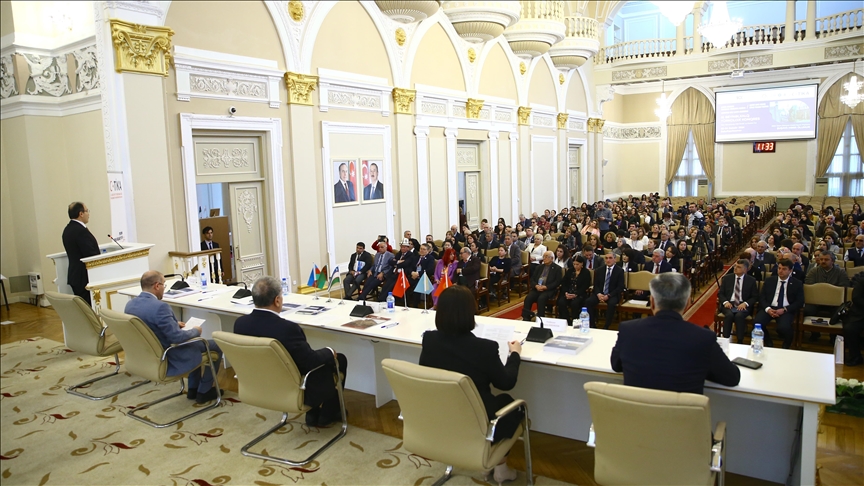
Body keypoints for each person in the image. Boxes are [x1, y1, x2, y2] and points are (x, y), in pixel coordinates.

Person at [419, 285, 523, 483]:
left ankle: (489, 463)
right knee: (512, 405)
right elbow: (506, 382)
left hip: (441, 415)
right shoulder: (484, 348)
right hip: (478, 421)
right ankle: (500, 467)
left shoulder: (430, 340)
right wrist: (515, 354)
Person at [235, 276, 347, 427]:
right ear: (277, 300)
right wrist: (329, 351)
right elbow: (310, 362)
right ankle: (327, 414)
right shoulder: (288, 329)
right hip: (294, 388)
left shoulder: (240, 324)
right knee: (339, 359)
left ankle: (314, 414)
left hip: (258, 385)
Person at [610, 272, 740, 394]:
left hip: (636, 410)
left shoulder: (628, 330)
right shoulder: (703, 338)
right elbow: (732, 378)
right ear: (687, 303)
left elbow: (616, 365)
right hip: (683, 411)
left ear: (652, 302)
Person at [125, 271, 221, 403]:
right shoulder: (160, 307)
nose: (164, 289)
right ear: (157, 286)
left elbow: (148, 325)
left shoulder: (130, 305)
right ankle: (205, 390)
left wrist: (173, 324)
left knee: (193, 342)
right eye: (164, 285)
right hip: (170, 355)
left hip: (148, 355)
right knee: (216, 345)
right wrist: (195, 331)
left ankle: (193, 388)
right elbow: (176, 338)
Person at [753, 259, 804, 349]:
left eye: (784, 269)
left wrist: (784, 309)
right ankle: (768, 341)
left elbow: (799, 302)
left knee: (783, 327)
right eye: (779, 268)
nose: (780, 271)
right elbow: (762, 297)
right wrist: (768, 309)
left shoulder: (797, 283)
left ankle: (786, 345)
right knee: (757, 323)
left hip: (786, 310)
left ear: (790, 270)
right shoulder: (769, 280)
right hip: (770, 308)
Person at [62, 202, 101, 305]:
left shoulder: (67, 229)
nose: (89, 214)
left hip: (76, 276)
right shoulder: (80, 231)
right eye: (87, 211)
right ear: (81, 214)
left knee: (83, 308)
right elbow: (90, 254)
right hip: (84, 277)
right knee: (89, 308)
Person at [718, 259, 759, 343]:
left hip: (743, 305)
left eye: (739, 267)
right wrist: (725, 302)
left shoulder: (751, 280)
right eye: (735, 266)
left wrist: (745, 303)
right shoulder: (727, 278)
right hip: (729, 304)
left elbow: (755, 297)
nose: (735, 268)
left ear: (745, 269)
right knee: (729, 315)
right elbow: (720, 294)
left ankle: (740, 340)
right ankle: (725, 339)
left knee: (739, 316)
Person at [585, 253, 626, 329]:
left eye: (610, 258)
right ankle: (592, 324)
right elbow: (596, 285)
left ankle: (606, 326)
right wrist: (598, 294)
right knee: (588, 301)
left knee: (611, 304)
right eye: (606, 258)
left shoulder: (620, 271)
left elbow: (620, 287)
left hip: (612, 294)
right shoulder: (599, 270)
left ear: (615, 259)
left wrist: (609, 295)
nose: (608, 260)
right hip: (600, 293)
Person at [521, 251, 562, 321]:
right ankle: (526, 317)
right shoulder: (539, 267)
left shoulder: (557, 268)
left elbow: (557, 282)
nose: (544, 258)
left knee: (541, 298)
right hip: (537, 288)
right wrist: (536, 286)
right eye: (543, 256)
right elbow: (532, 279)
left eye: (546, 257)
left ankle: (540, 318)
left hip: (548, 289)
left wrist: (546, 287)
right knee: (528, 298)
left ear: (552, 258)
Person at [556, 255, 592, 326]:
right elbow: (564, 283)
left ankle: (575, 321)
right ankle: (567, 321)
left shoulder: (586, 272)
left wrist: (575, 294)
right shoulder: (570, 271)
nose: (575, 266)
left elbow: (585, 286)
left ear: (582, 264)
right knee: (561, 302)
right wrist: (566, 292)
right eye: (574, 264)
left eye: (577, 264)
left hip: (579, 294)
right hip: (568, 293)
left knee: (574, 304)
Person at [843, 272, 864, 366]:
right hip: (860, 314)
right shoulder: (862, 281)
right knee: (849, 329)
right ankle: (856, 356)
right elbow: (856, 298)